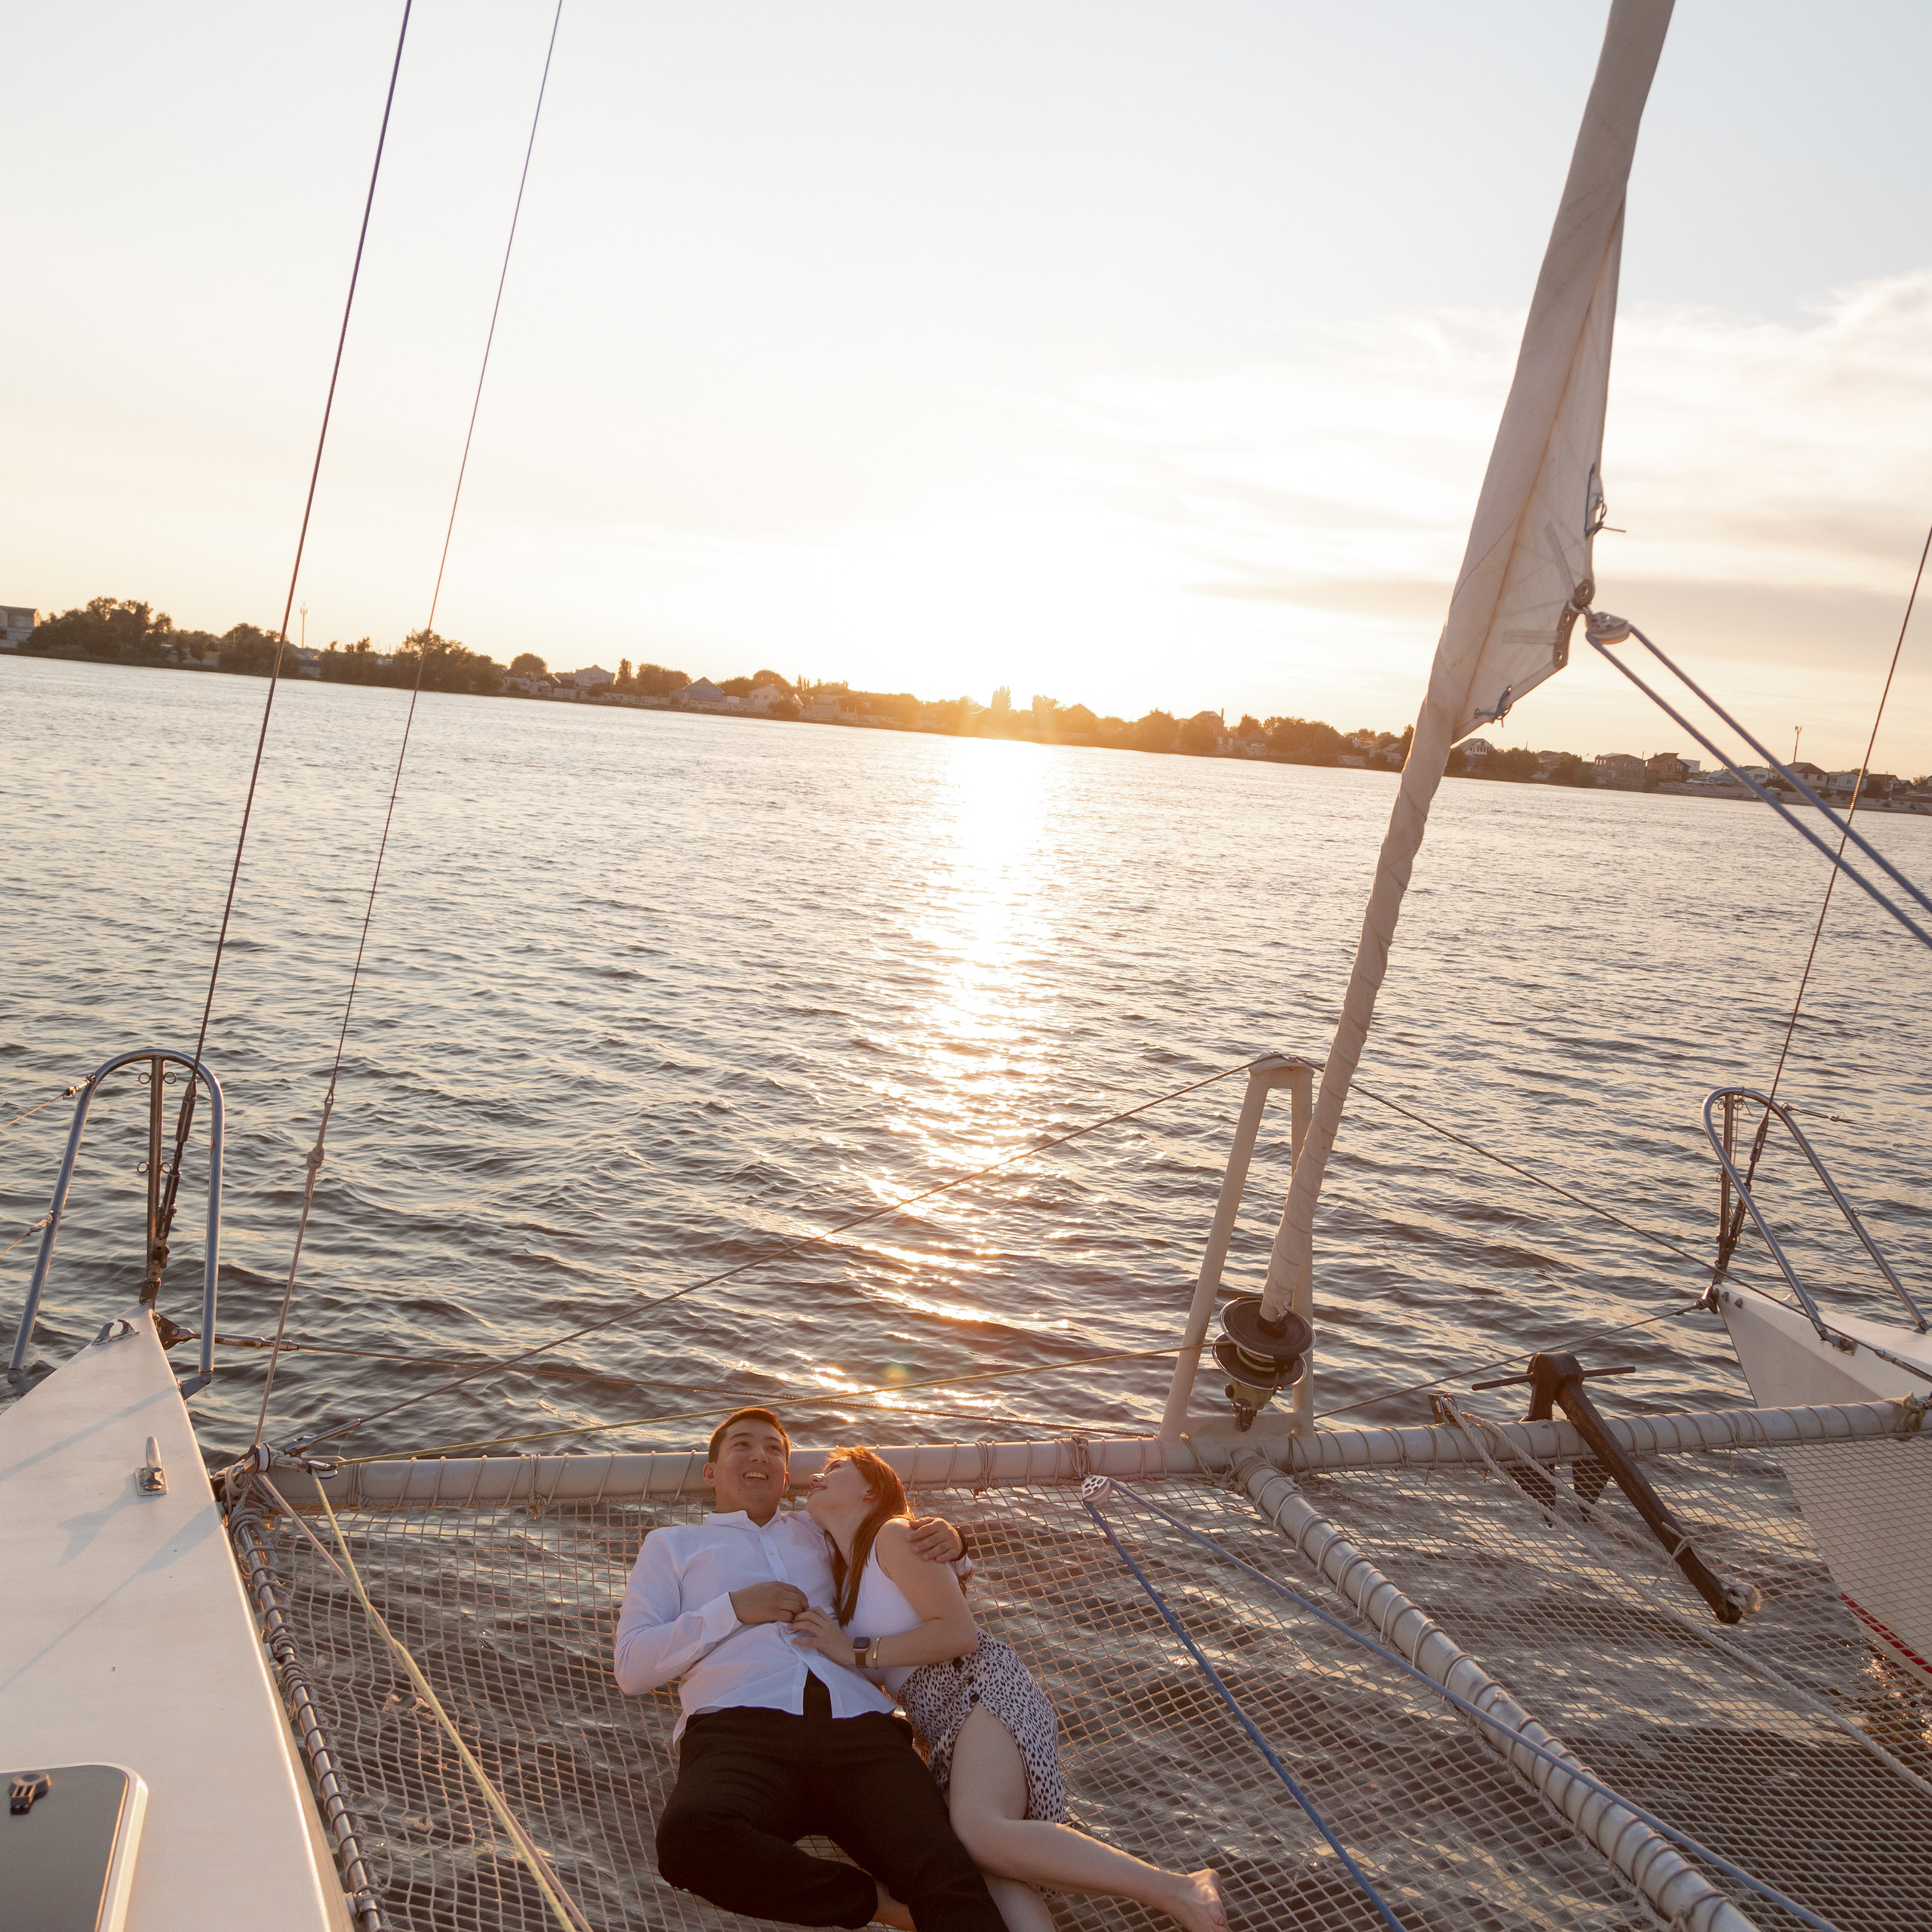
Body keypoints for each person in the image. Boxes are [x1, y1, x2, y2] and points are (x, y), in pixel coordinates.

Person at [791, 1444, 1228, 1932]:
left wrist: (853, 1651)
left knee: (979, 1831)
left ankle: (1179, 1889)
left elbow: (959, 1634)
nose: (816, 1476)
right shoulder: (847, 1579)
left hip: (976, 1686)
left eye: (835, 1469)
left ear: (871, 1489)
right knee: (990, 1870)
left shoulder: (894, 1537)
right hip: (937, 1722)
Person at [614, 1407, 1007, 1932]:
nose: (760, 1455)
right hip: (740, 1730)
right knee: (691, 1840)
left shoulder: (820, 1529)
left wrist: (954, 1539)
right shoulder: (672, 1546)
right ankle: (880, 1906)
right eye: (742, 1446)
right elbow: (632, 1666)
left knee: (947, 1875)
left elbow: (904, 1553)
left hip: (861, 1731)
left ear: (785, 1475)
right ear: (711, 1473)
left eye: (774, 1450)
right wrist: (733, 1608)